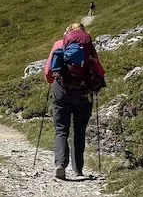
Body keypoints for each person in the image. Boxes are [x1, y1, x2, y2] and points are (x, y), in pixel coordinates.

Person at [43, 22, 106, 180]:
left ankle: (60, 164)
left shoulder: (59, 44)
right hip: (83, 93)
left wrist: (52, 80)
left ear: (68, 32)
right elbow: (99, 71)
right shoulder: (88, 47)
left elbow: (48, 71)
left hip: (61, 91)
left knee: (61, 129)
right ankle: (78, 170)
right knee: (79, 130)